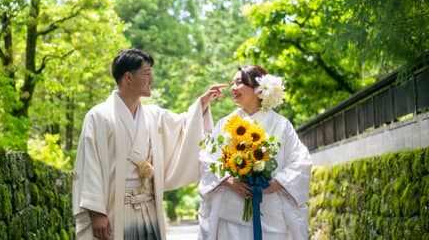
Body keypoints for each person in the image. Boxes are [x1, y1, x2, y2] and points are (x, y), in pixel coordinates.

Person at [72, 48, 227, 240]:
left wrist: (202, 103)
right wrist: (97, 213)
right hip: (114, 207)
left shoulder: (153, 115)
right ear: (128, 77)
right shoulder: (99, 116)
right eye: (146, 73)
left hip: (148, 205)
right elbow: (90, 165)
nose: (151, 80)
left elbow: (183, 126)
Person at [198, 65, 312, 240]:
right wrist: (228, 180)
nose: (233, 88)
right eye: (232, 83)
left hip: (270, 209)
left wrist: (276, 183)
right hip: (233, 211)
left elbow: (300, 162)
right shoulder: (225, 124)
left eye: (239, 82)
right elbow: (207, 159)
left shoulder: (281, 124)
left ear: (258, 89)